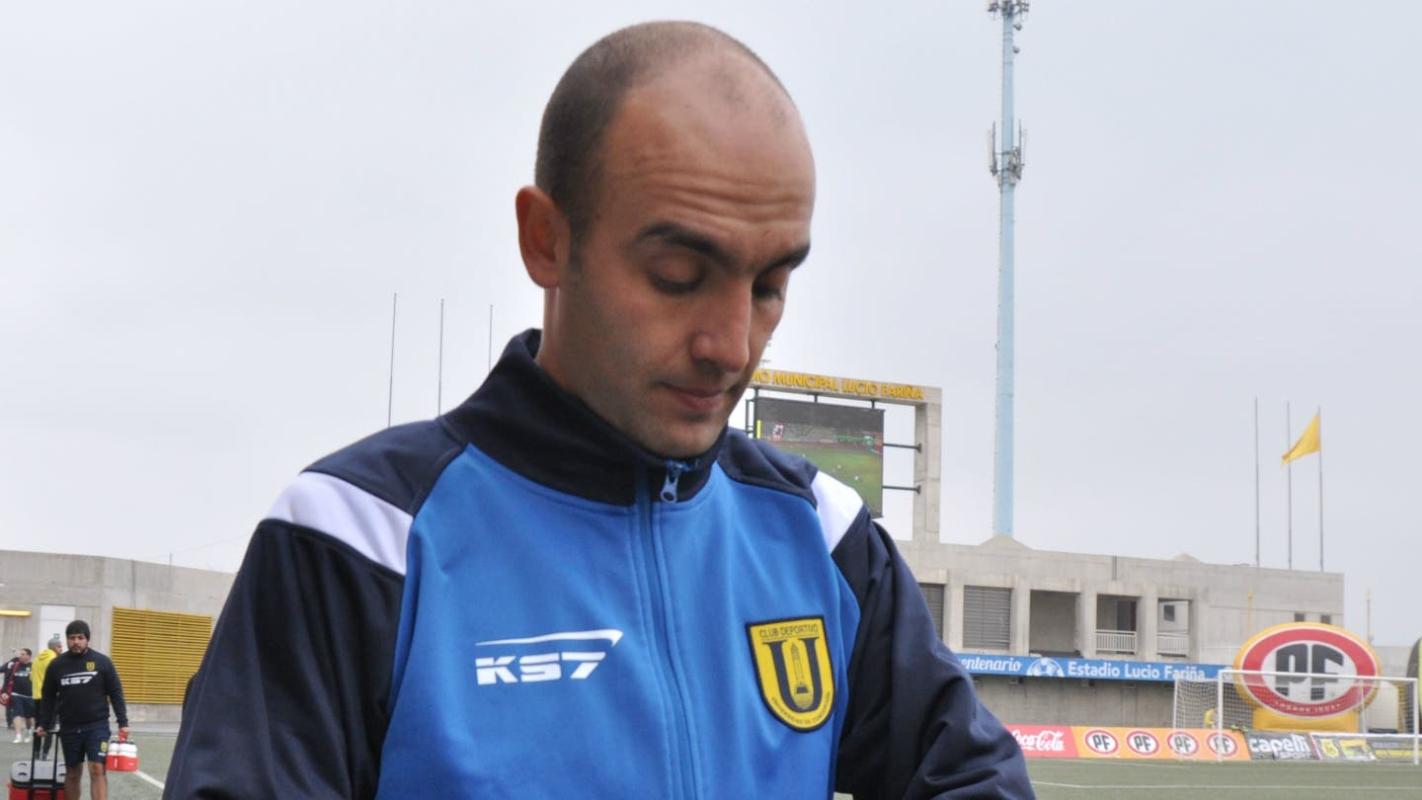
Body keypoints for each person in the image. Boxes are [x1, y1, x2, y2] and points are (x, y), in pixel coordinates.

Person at [167, 20, 1031, 799]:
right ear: (546, 240)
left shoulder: (823, 538)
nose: (732, 345)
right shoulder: (358, 540)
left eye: (770, 285)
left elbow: (973, 777)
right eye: (678, 277)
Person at [35, 621, 130, 800]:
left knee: (97, 768)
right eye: (72, 638)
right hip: (69, 727)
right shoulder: (56, 665)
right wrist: (44, 723)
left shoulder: (102, 662)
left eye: (80, 638)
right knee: (72, 772)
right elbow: (48, 697)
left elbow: (116, 693)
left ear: (87, 639)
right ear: (67, 640)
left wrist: (122, 722)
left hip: (97, 726)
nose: (76, 642)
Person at [30, 635, 61, 757]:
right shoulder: (54, 659)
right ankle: (45, 752)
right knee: (50, 725)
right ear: (55, 647)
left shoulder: (37, 659)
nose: (61, 649)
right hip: (50, 697)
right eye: (60, 647)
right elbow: (57, 678)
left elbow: (31, 677)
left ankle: (36, 752)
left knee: (38, 725)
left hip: (37, 696)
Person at [2, 648, 35, 742]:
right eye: (20, 654)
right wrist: (4, 692)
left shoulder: (34, 666)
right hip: (16, 694)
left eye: (23, 654)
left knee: (29, 717)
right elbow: (7, 678)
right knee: (17, 714)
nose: (20, 656)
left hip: (30, 695)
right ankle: (18, 735)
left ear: (29, 656)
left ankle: (28, 730)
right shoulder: (14, 665)